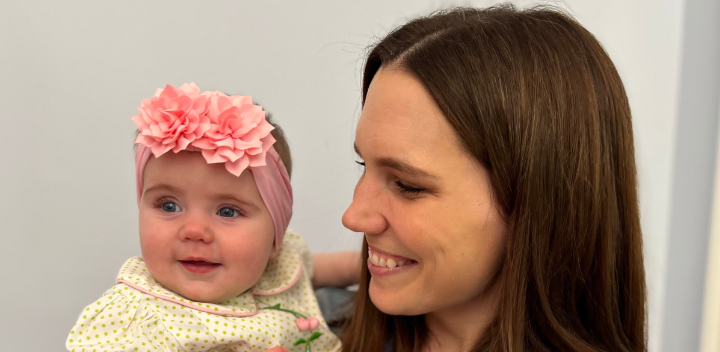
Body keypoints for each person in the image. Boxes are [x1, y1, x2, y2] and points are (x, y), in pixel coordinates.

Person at [332, 5, 646, 352]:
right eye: (364, 164)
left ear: (537, 198)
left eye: (408, 185)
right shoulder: (296, 330)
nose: (354, 216)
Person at [65, 83, 341, 352]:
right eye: (169, 206)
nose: (194, 230)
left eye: (227, 211)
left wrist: (365, 266)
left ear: (274, 238)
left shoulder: (279, 264)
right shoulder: (137, 318)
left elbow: (316, 268)